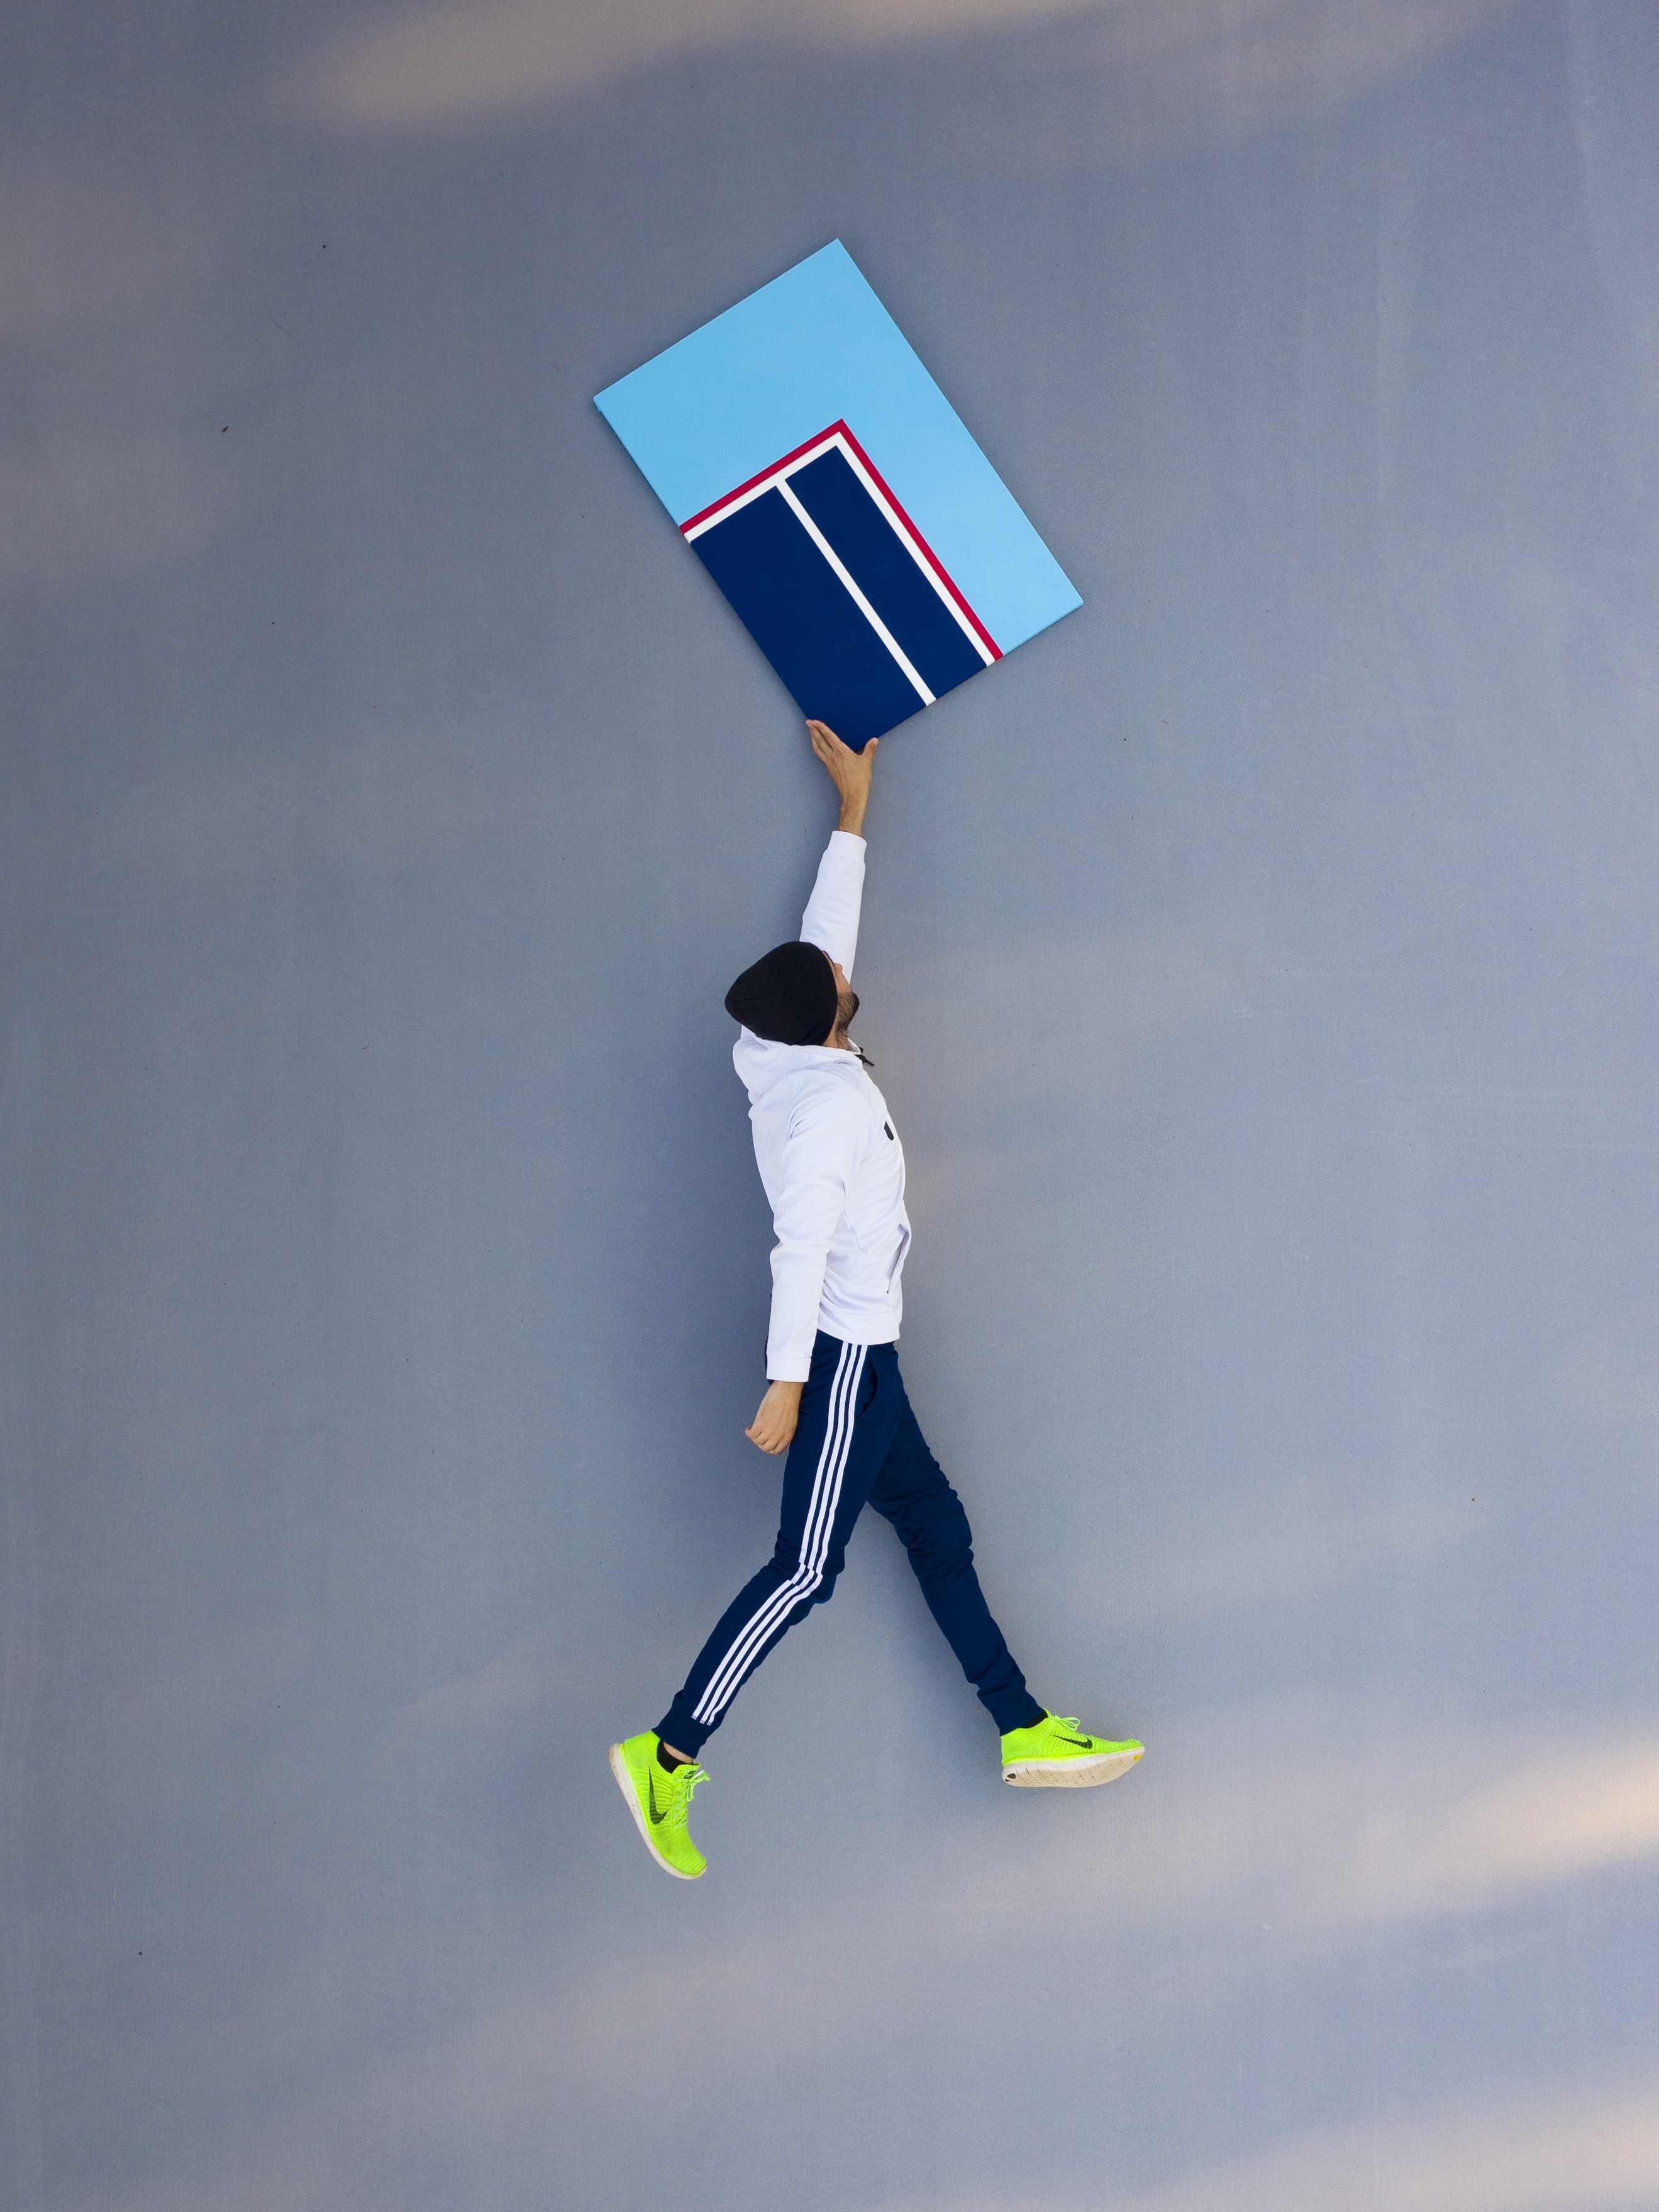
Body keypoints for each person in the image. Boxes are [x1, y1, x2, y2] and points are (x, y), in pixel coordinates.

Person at [610, 719, 1143, 1878]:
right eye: (842, 984)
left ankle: (1021, 1728)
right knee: (805, 1568)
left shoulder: (778, 1048)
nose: (848, 969)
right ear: (831, 1018)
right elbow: (795, 1245)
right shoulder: (828, 1115)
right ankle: (666, 1751)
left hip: (877, 1361)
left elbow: (820, 946)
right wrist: (791, 1381)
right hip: (845, 1361)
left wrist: (852, 811)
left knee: (938, 1531)